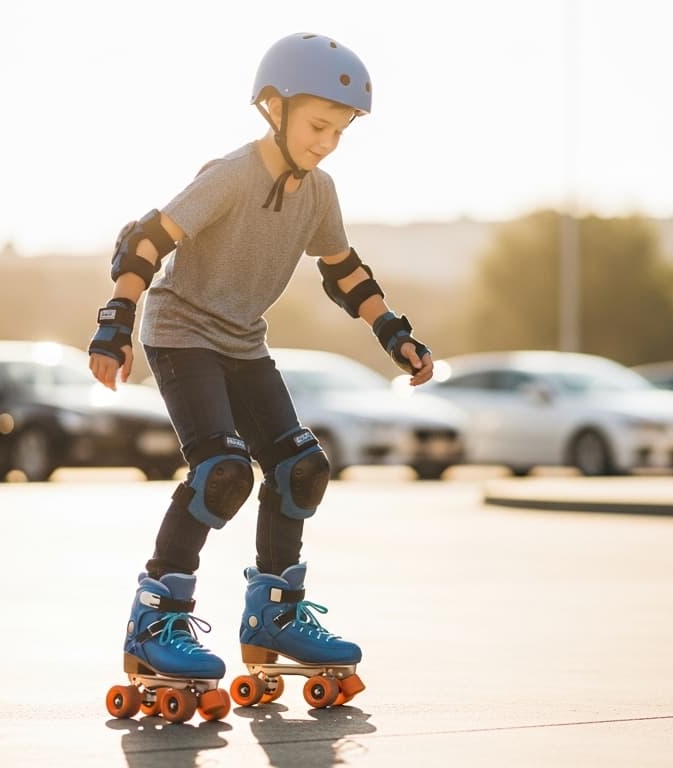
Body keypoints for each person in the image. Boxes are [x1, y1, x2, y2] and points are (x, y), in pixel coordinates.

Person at [88, 32, 433, 705]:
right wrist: (115, 325)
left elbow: (345, 271)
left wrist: (394, 334)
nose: (327, 142)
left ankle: (274, 611)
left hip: (244, 343)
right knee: (222, 473)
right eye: (316, 126)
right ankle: (154, 616)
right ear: (272, 108)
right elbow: (147, 241)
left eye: (339, 130)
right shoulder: (232, 175)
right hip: (181, 333)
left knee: (302, 470)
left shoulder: (318, 193)